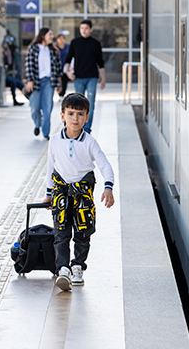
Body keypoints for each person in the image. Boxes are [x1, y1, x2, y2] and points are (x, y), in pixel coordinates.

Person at [43, 92, 115, 291]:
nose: (75, 119)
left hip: (82, 193)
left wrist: (108, 187)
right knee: (61, 231)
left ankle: (78, 266)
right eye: (71, 113)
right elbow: (51, 167)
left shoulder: (90, 142)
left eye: (80, 114)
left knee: (83, 232)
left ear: (87, 117)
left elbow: (105, 166)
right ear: (62, 116)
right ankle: (63, 268)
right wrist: (49, 193)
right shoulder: (55, 140)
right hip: (60, 191)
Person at [63, 20, 106, 134]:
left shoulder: (95, 44)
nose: (83, 30)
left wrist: (103, 79)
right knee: (78, 105)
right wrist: (67, 72)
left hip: (92, 77)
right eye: (81, 28)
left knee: (90, 104)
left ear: (91, 29)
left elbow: (100, 62)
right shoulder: (75, 42)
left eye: (86, 28)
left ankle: (87, 130)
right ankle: (78, 128)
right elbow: (68, 59)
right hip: (79, 78)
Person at [25, 27, 63, 139]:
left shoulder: (53, 51)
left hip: (49, 82)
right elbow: (29, 65)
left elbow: (58, 69)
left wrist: (59, 84)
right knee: (34, 107)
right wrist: (30, 80)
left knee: (47, 107)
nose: (52, 37)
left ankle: (46, 133)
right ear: (43, 36)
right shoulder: (33, 48)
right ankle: (37, 124)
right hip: (36, 81)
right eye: (50, 34)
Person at [55, 34, 70, 100]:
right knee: (59, 80)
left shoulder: (67, 47)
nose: (61, 40)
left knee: (64, 80)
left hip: (65, 66)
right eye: (59, 38)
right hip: (58, 66)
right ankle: (60, 93)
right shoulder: (55, 47)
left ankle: (63, 93)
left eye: (62, 38)